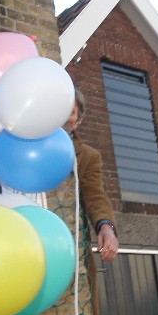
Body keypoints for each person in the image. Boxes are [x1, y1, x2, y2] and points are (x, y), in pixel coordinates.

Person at [66, 89, 119, 266]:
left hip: (69, 246)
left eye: (71, 112)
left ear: (78, 121)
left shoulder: (89, 157)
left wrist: (106, 226)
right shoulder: (25, 143)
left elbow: (95, 195)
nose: (64, 117)